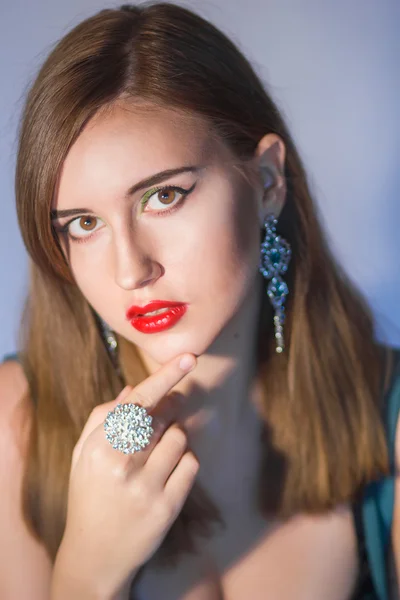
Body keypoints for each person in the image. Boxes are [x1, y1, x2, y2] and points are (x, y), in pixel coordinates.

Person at [0, 2, 399, 599]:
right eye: (84, 224)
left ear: (266, 181)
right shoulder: (14, 423)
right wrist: (85, 571)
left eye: (163, 196)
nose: (131, 269)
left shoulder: (387, 416)